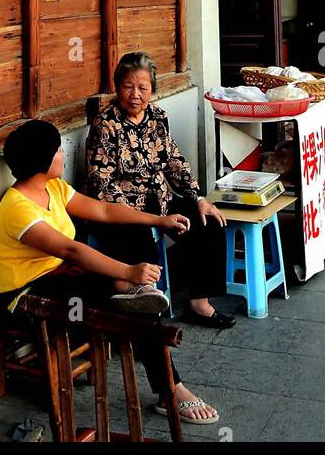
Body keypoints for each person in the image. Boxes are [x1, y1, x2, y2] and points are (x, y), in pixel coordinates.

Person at [0, 119, 220, 425]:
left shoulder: (54, 188)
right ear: (41, 160)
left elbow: (102, 210)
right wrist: (129, 271)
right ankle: (169, 387)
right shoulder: (16, 207)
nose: (63, 155)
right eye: (58, 151)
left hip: (64, 277)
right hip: (28, 296)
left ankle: (132, 298)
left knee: (134, 284)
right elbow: (70, 250)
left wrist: (157, 220)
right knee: (133, 303)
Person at [85, 52, 234, 330]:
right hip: (123, 212)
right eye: (129, 86)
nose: (135, 94)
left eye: (143, 88)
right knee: (141, 243)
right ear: (117, 86)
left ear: (152, 89)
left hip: (160, 203)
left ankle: (199, 304)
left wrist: (197, 197)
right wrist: (144, 217)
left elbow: (174, 161)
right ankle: (146, 322)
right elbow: (101, 184)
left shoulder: (157, 116)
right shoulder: (105, 124)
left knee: (207, 222)